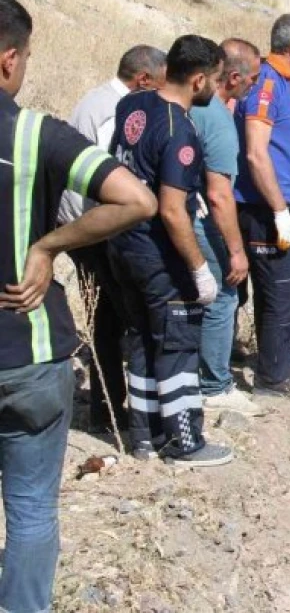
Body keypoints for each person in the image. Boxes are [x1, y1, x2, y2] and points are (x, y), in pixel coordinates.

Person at [0, 0, 157, 609]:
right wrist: (48, 246)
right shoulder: (39, 134)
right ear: (8, 58)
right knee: (33, 509)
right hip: (31, 352)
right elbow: (137, 200)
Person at [108, 34, 234, 466]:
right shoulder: (180, 129)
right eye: (215, 82)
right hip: (158, 253)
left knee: (143, 339)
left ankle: (143, 438)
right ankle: (184, 443)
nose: (216, 91)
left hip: (121, 244)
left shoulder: (132, 105)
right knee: (178, 344)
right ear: (198, 80)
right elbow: (173, 210)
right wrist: (200, 269)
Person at [62, 44, 165, 433]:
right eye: (156, 85)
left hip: (86, 224)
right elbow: (113, 175)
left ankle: (111, 406)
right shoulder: (114, 112)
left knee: (108, 316)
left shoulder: (99, 99)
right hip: (93, 229)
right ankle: (110, 409)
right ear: (142, 79)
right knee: (114, 319)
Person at [234, 13, 290, 396]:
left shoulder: (283, 83)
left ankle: (283, 366)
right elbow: (256, 153)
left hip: (274, 204)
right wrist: (280, 212)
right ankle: (273, 378)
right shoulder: (267, 84)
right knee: (280, 293)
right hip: (261, 208)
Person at [191, 38, 262, 416]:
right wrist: (236, 251)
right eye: (251, 80)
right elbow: (219, 196)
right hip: (202, 222)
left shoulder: (185, 106)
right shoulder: (216, 118)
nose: (253, 88)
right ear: (233, 77)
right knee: (224, 296)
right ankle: (214, 385)